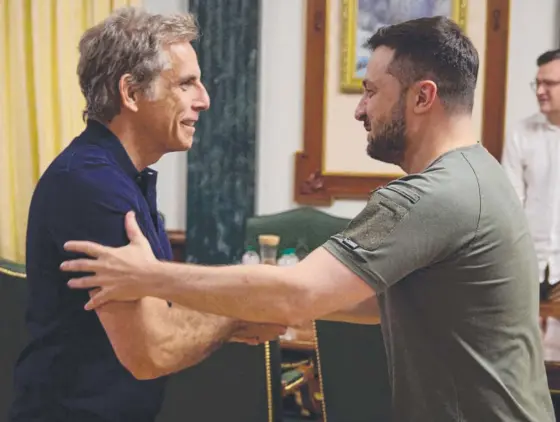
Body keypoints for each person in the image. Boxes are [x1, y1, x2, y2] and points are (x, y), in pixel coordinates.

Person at [60, 16, 555, 422]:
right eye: (187, 82)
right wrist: (240, 314)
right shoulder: (480, 171)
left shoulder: (432, 196)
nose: (361, 109)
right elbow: (376, 302)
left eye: (371, 91)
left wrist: (148, 276)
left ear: (422, 97)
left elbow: (301, 291)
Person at [9, 7, 284, 422]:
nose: (205, 99)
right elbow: (151, 350)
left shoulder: (119, 176)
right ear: (132, 93)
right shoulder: (91, 186)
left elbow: (164, 308)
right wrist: (241, 312)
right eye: (187, 84)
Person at [502, 49, 560, 302]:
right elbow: (511, 204)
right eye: (537, 83)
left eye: (549, 83)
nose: (539, 91)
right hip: (528, 267)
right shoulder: (521, 133)